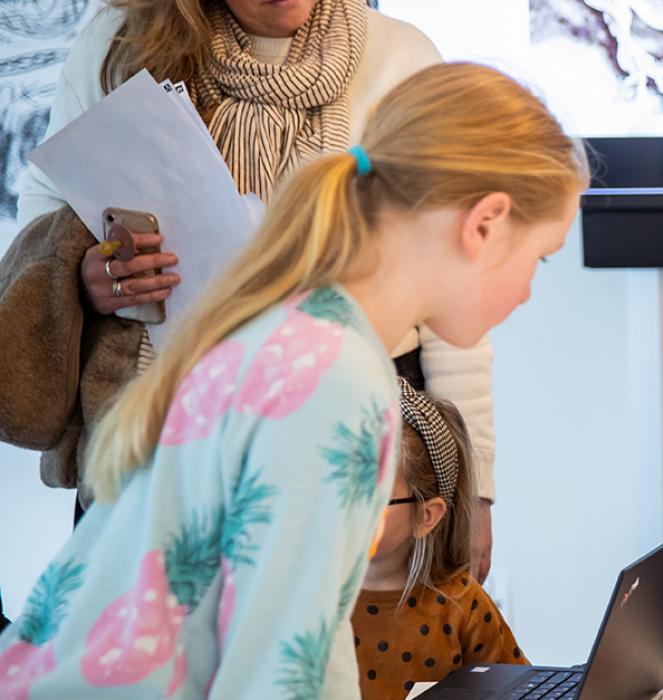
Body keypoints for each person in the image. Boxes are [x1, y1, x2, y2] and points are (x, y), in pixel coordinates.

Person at [0, 62, 585, 698]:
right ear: (485, 224)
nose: (529, 290)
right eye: (540, 257)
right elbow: (273, 679)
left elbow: (304, 640)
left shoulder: (309, 335)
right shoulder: (335, 386)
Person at [0, 0, 500, 580]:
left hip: (351, 445)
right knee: (142, 662)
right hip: (151, 449)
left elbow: (452, 294)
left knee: (341, 662)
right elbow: (48, 206)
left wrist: (475, 491)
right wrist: (89, 275)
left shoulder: (401, 59)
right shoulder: (120, 42)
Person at [352, 380, 525, 700]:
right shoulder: (316, 602)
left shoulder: (463, 606)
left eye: (373, 499)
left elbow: (520, 688)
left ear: (425, 516)